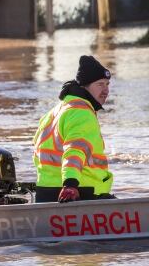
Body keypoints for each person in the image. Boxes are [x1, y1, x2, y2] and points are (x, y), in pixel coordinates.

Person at [33, 55, 115, 203]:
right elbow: (75, 151)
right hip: (80, 194)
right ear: (85, 86)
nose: (106, 90)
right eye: (100, 84)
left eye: (107, 84)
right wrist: (70, 184)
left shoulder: (52, 113)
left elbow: (38, 155)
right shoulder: (82, 113)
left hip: (46, 193)